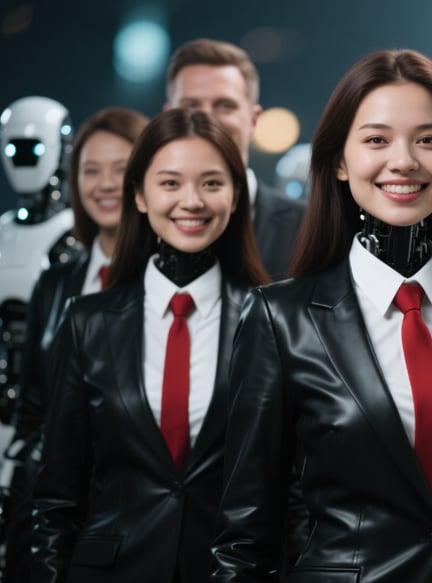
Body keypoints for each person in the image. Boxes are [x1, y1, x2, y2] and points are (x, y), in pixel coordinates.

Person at [210, 48, 432, 582]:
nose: (405, 160)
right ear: (339, 161)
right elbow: (245, 538)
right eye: (377, 140)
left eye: (428, 139)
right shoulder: (280, 319)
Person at [30, 108, 269, 583]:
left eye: (212, 183)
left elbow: (289, 491)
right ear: (139, 195)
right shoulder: (88, 321)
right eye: (170, 183)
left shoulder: (271, 319)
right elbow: (56, 499)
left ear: (237, 195)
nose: (192, 201)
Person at [2, 106, 149, 582]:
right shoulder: (56, 283)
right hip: (49, 513)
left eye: (120, 169)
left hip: (136, 517)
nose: (104, 184)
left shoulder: (167, 285)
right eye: (90, 170)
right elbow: (34, 404)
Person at [165, 37, 305, 280]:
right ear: (168, 118)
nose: (206, 119)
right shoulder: (139, 228)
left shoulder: (309, 228)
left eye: (225, 105)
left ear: (253, 120)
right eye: (191, 105)